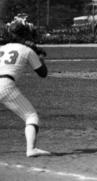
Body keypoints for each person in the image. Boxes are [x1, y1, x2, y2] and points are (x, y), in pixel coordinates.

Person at [0, 21, 51, 157]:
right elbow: (43, 73)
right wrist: (40, 57)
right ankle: (31, 149)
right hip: (5, 85)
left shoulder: (2, 48)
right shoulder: (27, 50)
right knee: (31, 116)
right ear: (24, 35)